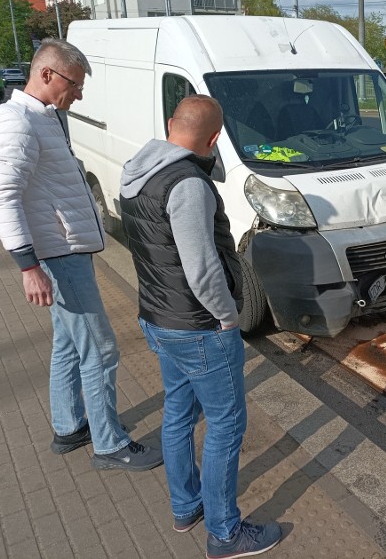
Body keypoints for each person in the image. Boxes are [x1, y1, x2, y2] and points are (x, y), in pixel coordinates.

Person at [0, 39, 162, 471]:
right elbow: (0, 196)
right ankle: (109, 444)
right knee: (100, 350)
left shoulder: (42, 117)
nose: (78, 94)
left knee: (67, 344)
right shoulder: (16, 123)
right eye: (74, 85)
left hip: (64, 251)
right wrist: (28, 267)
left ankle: (69, 426)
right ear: (46, 74)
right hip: (56, 256)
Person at [119, 95, 282, 558]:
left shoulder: (138, 171)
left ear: (171, 124)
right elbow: (201, 267)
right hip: (199, 327)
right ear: (214, 139)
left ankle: (186, 507)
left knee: (177, 413)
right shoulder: (187, 184)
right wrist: (227, 317)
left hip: (158, 318)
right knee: (226, 426)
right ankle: (226, 533)